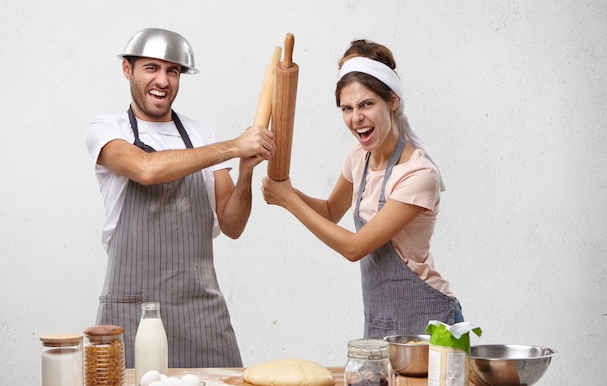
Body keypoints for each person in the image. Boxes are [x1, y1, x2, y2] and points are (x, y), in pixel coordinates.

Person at [85, 28, 275, 368]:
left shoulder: (202, 135)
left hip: (200, 313)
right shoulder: (106, 130)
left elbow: (232, 225)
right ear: (127, 70)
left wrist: (245, 169)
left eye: (172, 71)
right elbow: (146, 170)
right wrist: (233, 147)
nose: (163, 80)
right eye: (151, 68)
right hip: (133, 312)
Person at [261, 39, 463, 338]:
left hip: (428, 323)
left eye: (367, 104)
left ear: (392, 100)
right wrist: (286, 189)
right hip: (381, 321)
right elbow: (330, 212)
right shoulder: (359, 157)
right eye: (347, 108)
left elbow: (354, 247)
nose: (356, 118)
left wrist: (289, 200)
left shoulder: (418, 175)